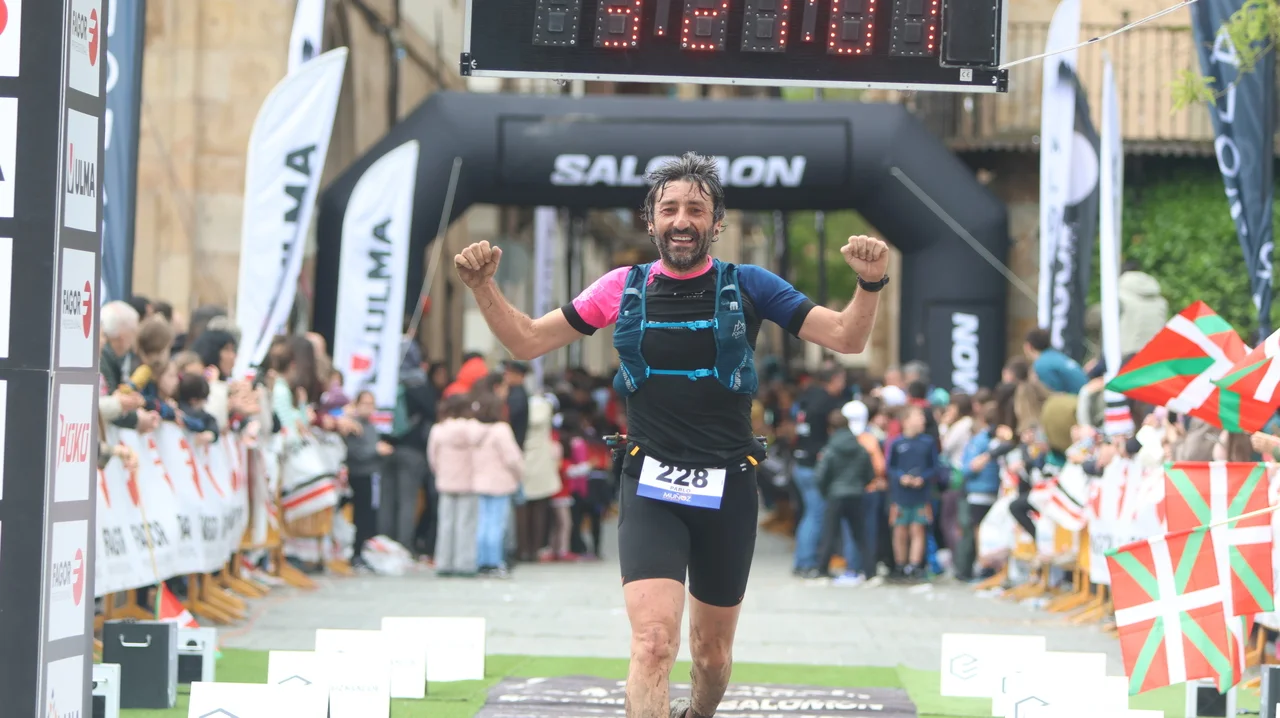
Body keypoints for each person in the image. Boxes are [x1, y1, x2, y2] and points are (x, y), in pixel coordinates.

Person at [453, 151, 889, 718]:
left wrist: (870, 282)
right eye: (670, 209)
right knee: (653, 642)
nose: (682, 220)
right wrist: (483, 287)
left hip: (729, 486)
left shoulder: (750, 284)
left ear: (717, 223)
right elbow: (528, 340)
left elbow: (846, 337)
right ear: (651, 221)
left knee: (711, 654)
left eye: (696, 210)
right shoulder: (621, 286)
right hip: (651, 483)